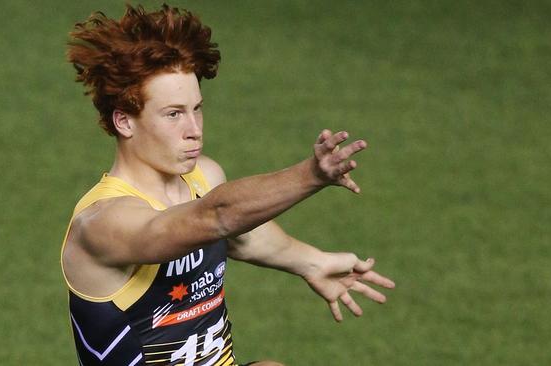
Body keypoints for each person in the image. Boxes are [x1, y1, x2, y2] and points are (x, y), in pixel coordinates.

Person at [60, 4, 395, 366]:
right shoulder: (103, 223)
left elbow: (243, 235)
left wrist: (312, 262)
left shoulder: (205, 176)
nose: (194, 129)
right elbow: (217, 217)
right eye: (173, 114)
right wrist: (310, 175)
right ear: (125, 122)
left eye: (197, 108)